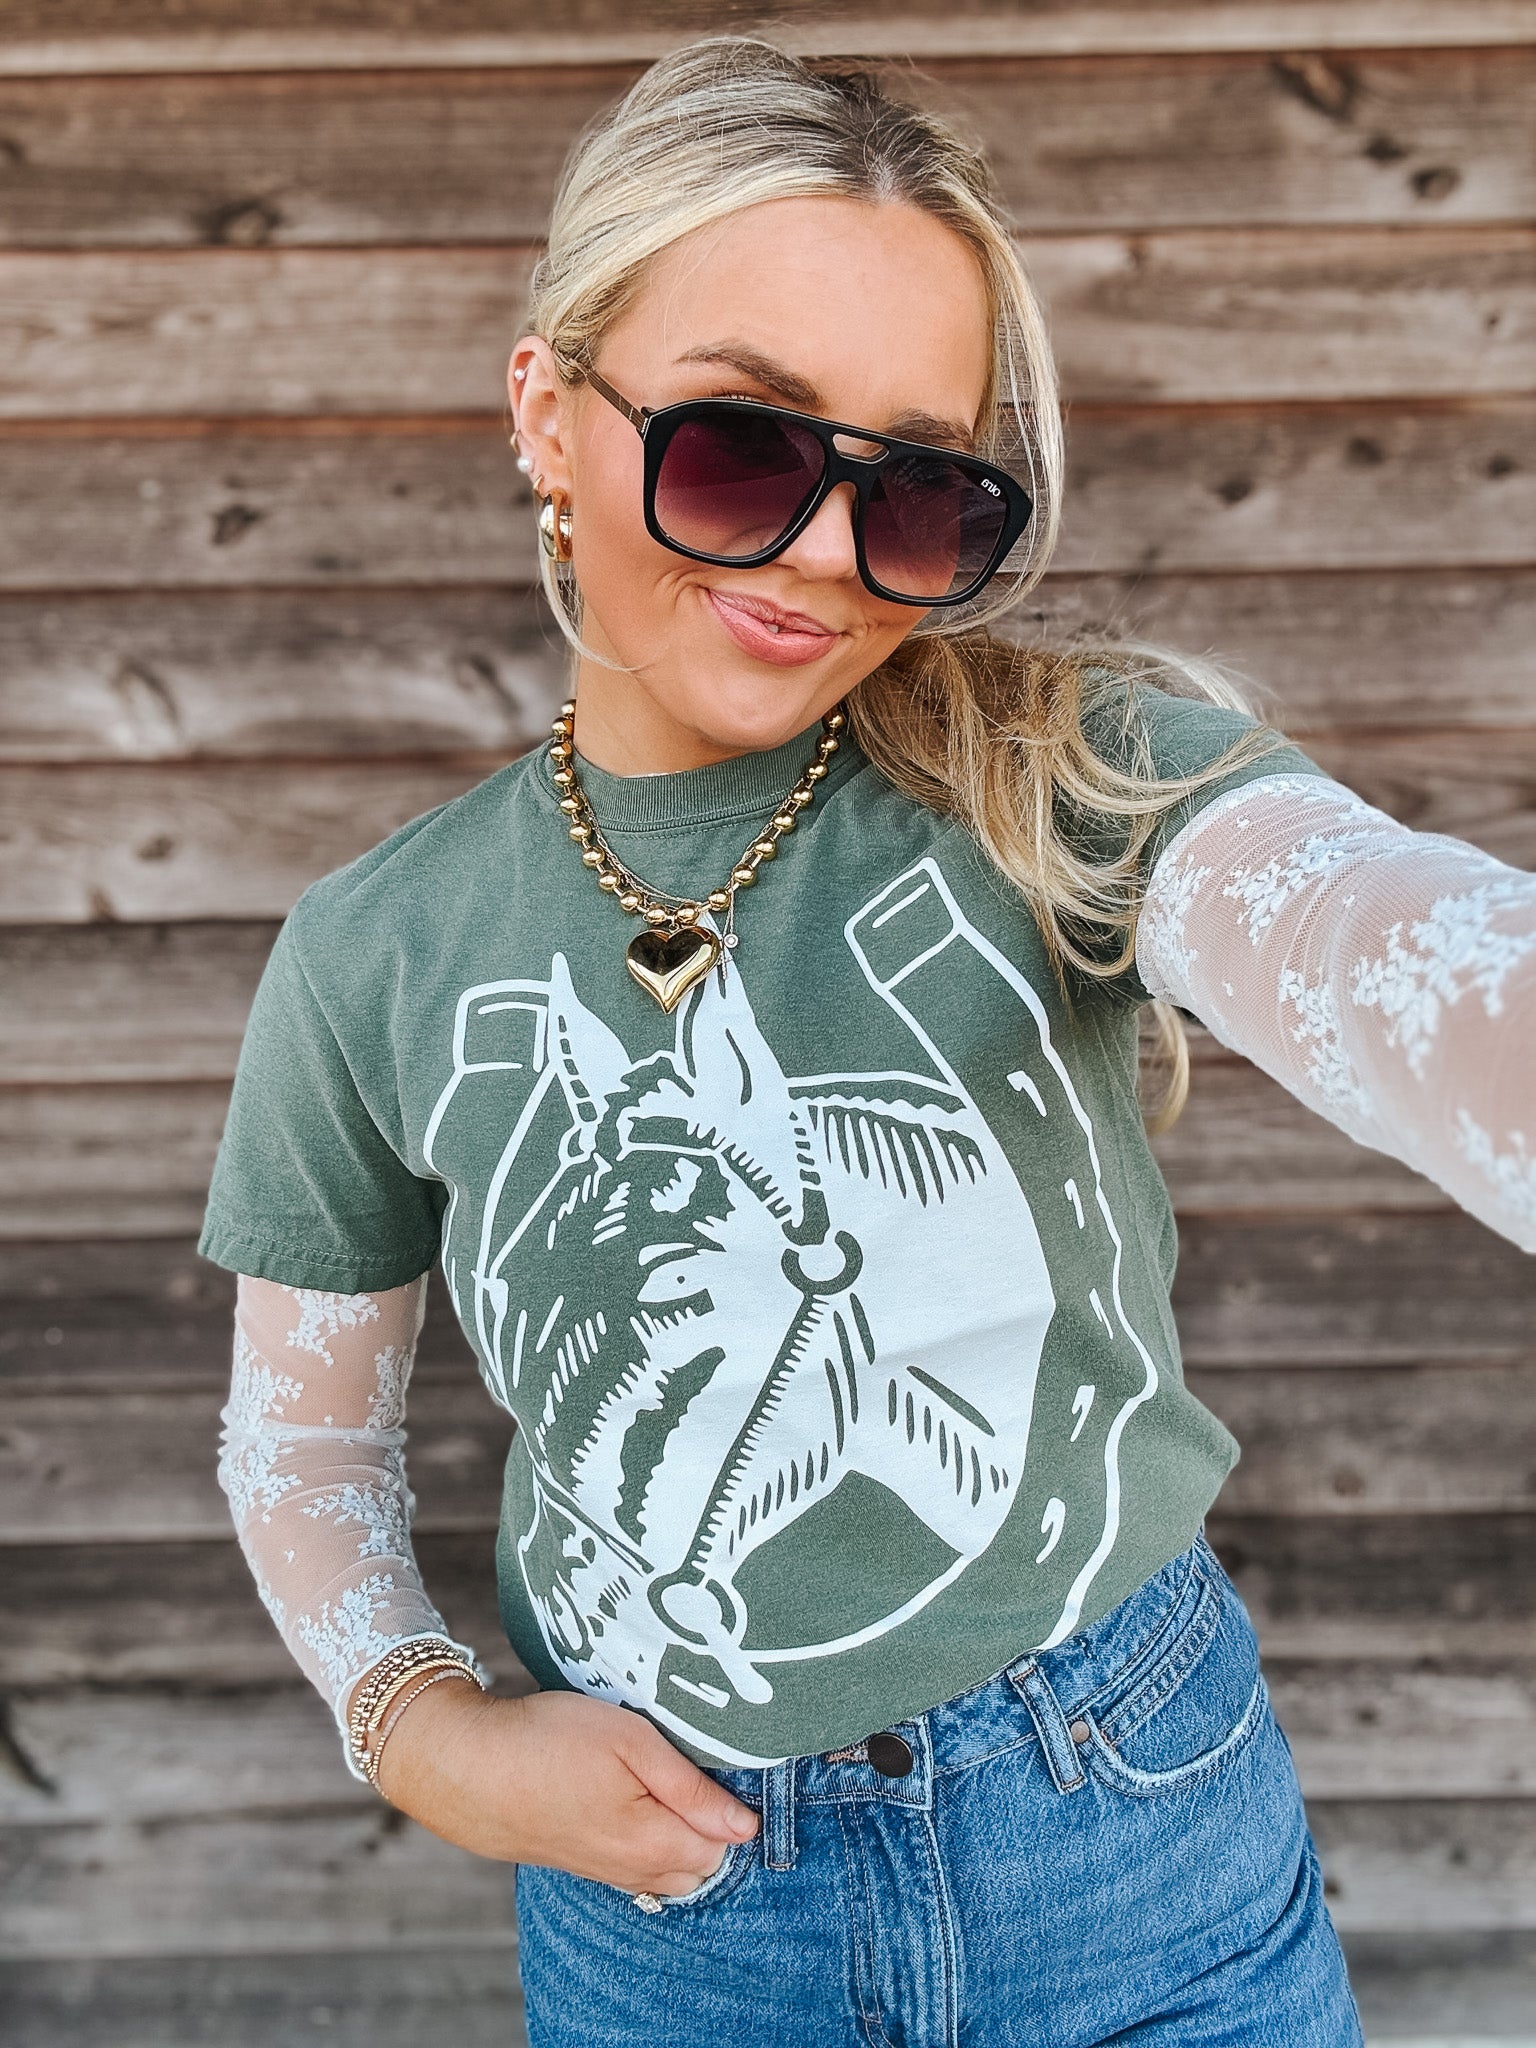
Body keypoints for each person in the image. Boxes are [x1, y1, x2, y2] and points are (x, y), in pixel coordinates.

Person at [200, 38, 1534, 2046]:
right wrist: (425, 1732)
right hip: (673, 1911)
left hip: (1133, 1830)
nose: (828, 554)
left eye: (918, 490)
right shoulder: (373, 953)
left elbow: (1369, 936)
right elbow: (302, 1439)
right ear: (548, 414)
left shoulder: (1062, 774)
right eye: (742, 446)